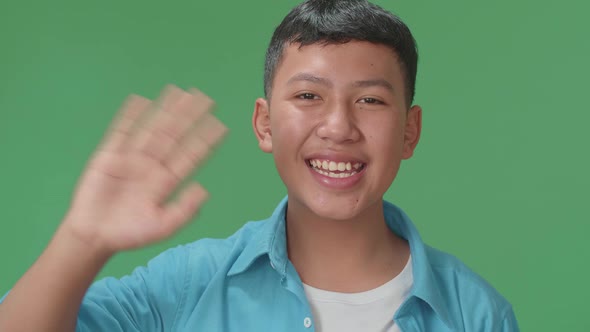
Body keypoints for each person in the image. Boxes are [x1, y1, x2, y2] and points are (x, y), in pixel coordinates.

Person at [0, 0, 519, 331]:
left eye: (371, 101)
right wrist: (83, 238)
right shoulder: (188, 285)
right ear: (264, 124)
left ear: (410, 131)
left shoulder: (476, 313)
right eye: (310, 95)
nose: (338, 127)